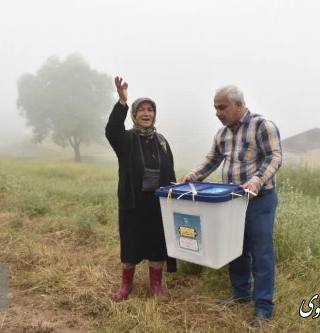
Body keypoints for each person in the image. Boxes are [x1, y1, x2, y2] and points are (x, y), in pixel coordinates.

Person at [181, 85, 282, 329]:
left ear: (238, 104)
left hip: (259, 201)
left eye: (222, 107)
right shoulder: (222, 134)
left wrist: (256, 181)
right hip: (232, 202)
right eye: (215, 107)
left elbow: (274, 157)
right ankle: (240, 293)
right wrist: (193, 176)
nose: (217, 112)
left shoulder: (262, 126)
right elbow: (212, 160)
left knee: (261, 253)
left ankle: (263, 308)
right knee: (234, 249)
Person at [105, 76, 177, 302]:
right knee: (131, 245)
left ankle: (156, 288)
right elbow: (111, 129)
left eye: (150, 110)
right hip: (133, 203)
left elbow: (170, 170)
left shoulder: (162, 141)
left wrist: (174, 196)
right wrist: (122, 102)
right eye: (142, 110)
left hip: (157, 204)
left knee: (157, 245)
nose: (147, 114)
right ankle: (126, 286)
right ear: (134, 114)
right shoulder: (125, 140)